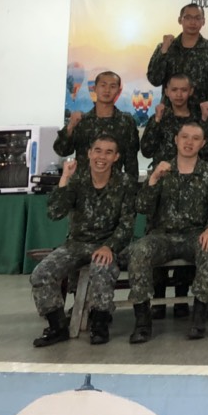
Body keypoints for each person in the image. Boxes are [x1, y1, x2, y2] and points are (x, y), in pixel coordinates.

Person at [30, 135, 136, 347]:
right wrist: (64, 178)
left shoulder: (124, 183)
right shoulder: (77, 180)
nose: (101, 157)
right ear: (89, 153)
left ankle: (100, 323)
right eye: (98, 151)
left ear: (116, 157)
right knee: (41, 274)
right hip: (76, 244)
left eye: (108, 152)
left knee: (102, 267)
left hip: (109, 244)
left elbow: (127, 224)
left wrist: (109, 247)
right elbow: (55, 212)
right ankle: (57, 326)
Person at [127, 122, 208, 343]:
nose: (189, 142)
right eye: (184, 137)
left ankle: (199, 317)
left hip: (195, 235)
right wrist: (153, 179)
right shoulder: (162, 170)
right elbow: (142, 207)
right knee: (139, 250)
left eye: (195, 138)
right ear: (176, 140)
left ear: (203, 144)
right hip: (162, 236)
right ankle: (142, 321)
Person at [55, 70, 140, 181]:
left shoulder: (126, 122)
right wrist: (70, 126)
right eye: (103, 85)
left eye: (112, 86)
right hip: (82, 185)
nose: (107, 90)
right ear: (95, 88)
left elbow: (131, 162)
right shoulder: (81, 121)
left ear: (118, 91)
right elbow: (62, 151)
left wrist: (131, 186)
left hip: (114, 186)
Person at [146, 2, 208, 108]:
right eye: (188, 18)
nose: (192, 22)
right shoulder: (166, 47)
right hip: (170, 113)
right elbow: (154, 80)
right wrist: (163, 52)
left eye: (197, 18)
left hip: (199, 114)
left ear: (203, 21)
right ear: (180, 20)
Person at [140, 73, 201, 167]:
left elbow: (206, 150)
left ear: (191, 91)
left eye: (184, 90)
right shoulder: (159, 117)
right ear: (167, 92)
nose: (179, 94)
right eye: (174, 90)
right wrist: (156, 121)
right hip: (164, 172)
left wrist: (205, 120)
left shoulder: (199, 118)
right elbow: (146, 151)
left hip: (193, 172)